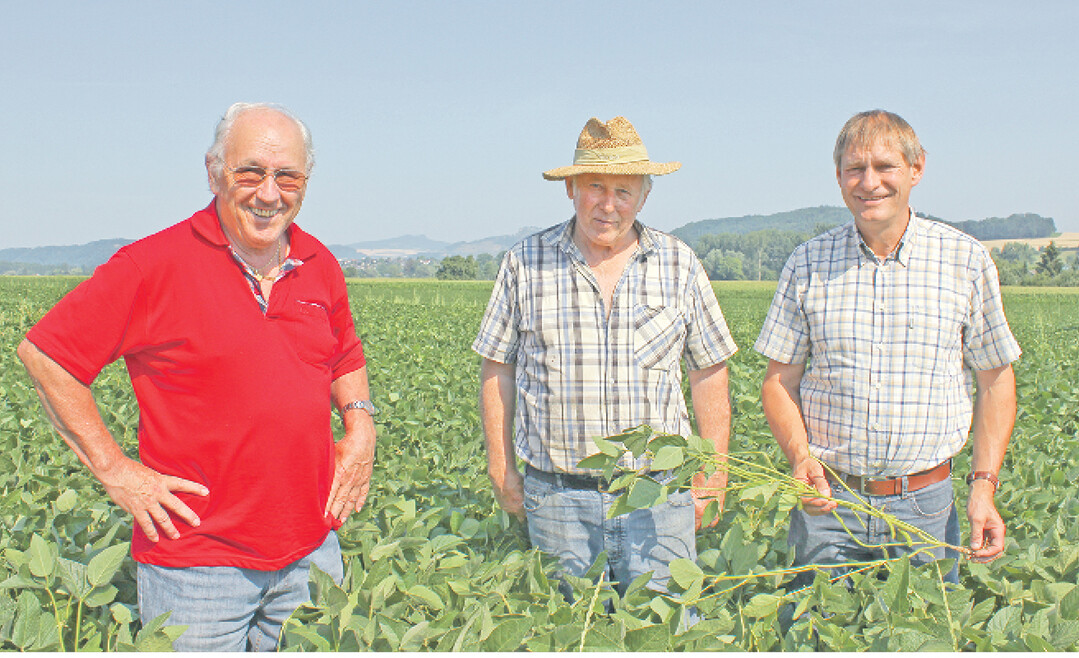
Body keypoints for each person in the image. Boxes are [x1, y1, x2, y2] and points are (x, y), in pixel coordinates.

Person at [17, 102, 377, 651]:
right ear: (214, 171)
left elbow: (345, 355)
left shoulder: (319, 263)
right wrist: (116, 471)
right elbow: (47, 355)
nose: (269, 193)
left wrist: (360, 426)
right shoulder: (153, 264)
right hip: (196, 567)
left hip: (312, 551)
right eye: (250, 172)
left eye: (287, 176)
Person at [473, 116, 738, 598]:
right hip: (557, 500)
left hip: (658, 497)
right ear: (571, 188)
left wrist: (713, 471)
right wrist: (500, 463)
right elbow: (498, 369)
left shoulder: (679, 263)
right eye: (596, 186)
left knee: (668, 633)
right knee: (565, 635)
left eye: (624, 189)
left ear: (645, 194)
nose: (609, 204)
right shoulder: (526, 262)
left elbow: (709, 372)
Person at [755, 109, 1021, 586]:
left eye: (885, 166)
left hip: (926, 507)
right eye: (855, 169)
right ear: (838, 177)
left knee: (924, 634)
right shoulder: (807, 262)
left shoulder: (965, 261)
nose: (869, 182)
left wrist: (983, 488)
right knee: (815, 634)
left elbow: (995, 382)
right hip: (829, 502)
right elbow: (779, 382)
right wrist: (801, 458)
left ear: (916, 170)